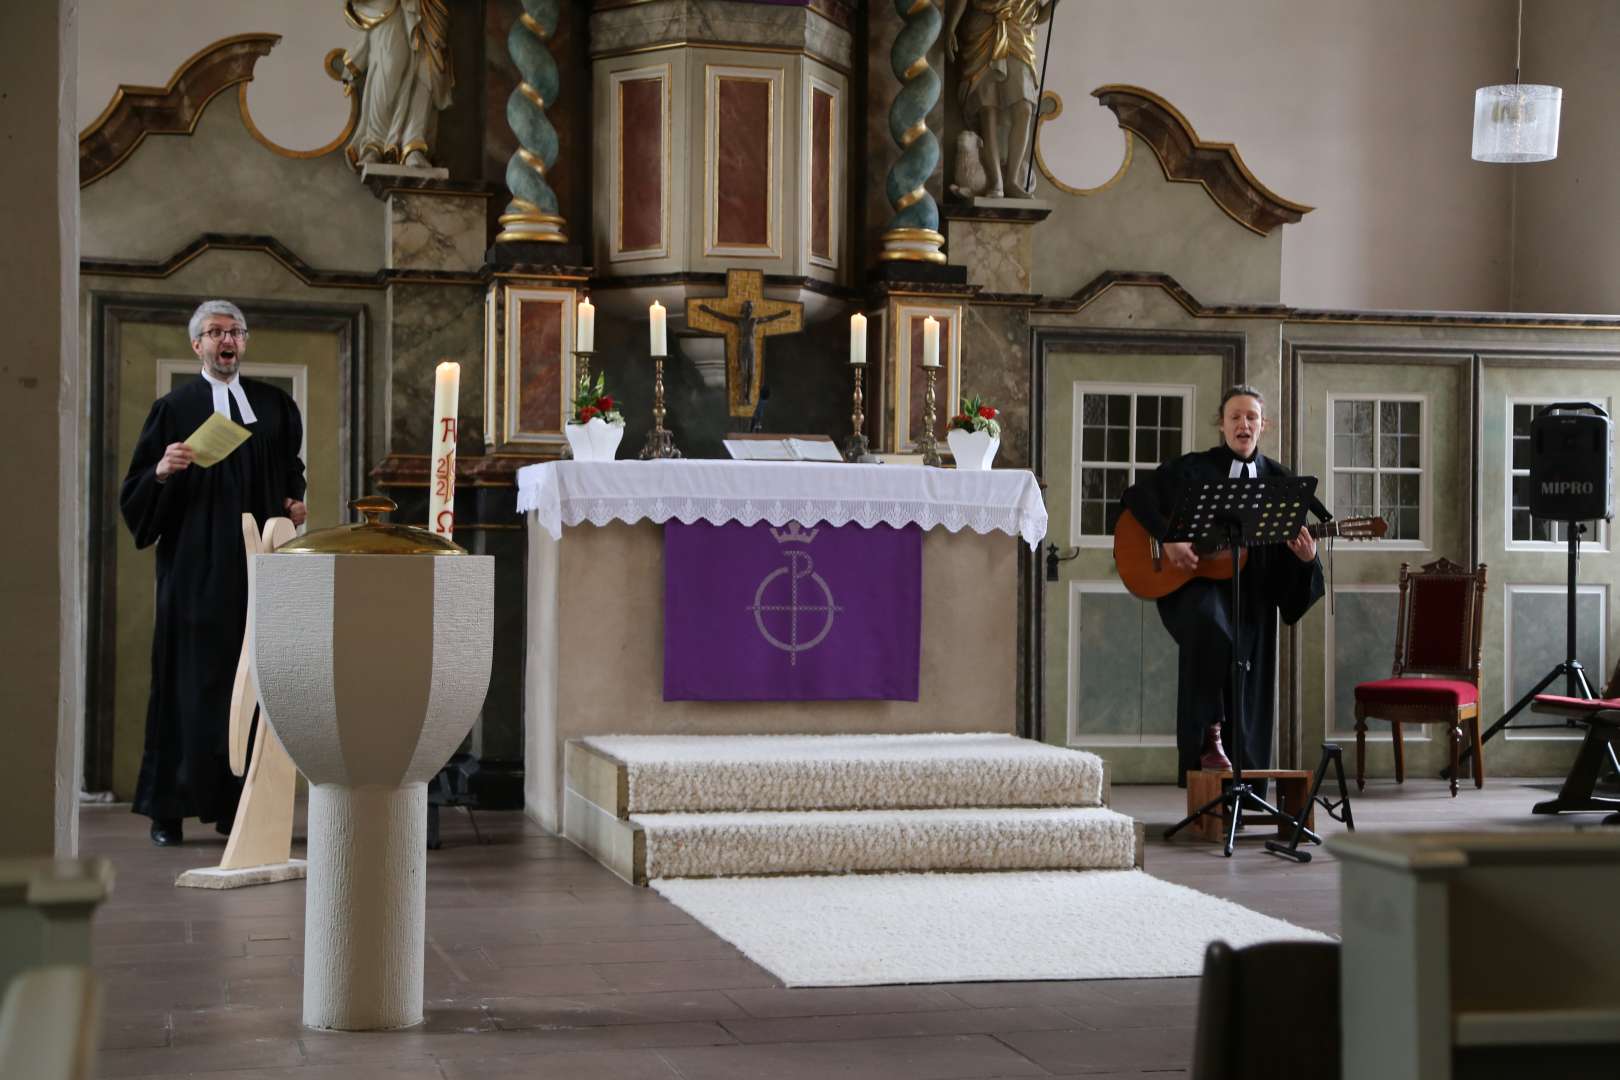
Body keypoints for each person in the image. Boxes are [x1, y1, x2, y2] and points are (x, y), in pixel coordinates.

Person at [120, 301, 308, 846]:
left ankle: (236, 808)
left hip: (256, 568)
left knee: (247, 684)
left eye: (234, 332)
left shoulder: (273, 406)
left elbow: (291, 474)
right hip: (194, 567)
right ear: (196, 346)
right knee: (188, 680)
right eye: (214, 332)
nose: (226, 340)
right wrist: (161, 470)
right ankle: (168, 809)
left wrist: (295, 504)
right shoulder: (173, 408)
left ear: (244, 343)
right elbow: (135, 493)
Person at [1119, 386, 1324, 786]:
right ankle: (1210, 738)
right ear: (1222, 424)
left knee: (1246, 671)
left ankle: (1244, 794)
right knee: (1213, 632)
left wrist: (1307, 560)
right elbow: (1136, 496)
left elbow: (1293, 570)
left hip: (1254, 598)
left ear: (1264, 425)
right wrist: (1168, 537)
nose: (1243, 424)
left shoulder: (1280, 481)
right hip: (1196, 588)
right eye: (1235, 417)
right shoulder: (1194, 469)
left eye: (1251, 417)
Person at [944, 0, 1054, 199]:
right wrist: (950, 27)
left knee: (1025, 108)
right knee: (988, 109)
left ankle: (1012, 180)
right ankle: (996, 182)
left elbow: (1039, 14)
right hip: (984, 28)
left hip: (1019, 31)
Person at [341, 0, 453, 169]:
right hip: (388, 6)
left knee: (425, 71)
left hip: (427, 7)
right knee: (389, 67)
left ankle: (413, 144)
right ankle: (375, 144)